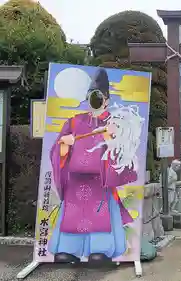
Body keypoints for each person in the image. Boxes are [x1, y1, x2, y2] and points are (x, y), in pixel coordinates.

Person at [48, 68, 137, 263]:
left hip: (100, 183)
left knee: (100, 218)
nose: (94, 101)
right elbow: (56, 150)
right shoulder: (73, 123)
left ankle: (101, 250)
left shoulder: (116, 123)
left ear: (106, 99)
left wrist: (112, 138)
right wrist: (64, 146)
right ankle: (68, 249)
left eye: (98, 97)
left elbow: (125, 153)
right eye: (91, 97)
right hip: (75, 184)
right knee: (73, 216)